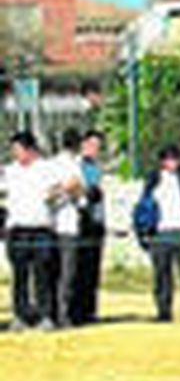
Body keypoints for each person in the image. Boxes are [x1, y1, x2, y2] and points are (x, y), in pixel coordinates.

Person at [4, 131, 57, 329]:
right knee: (20, 276)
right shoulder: (10, 171)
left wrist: (51, 196)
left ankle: (44, 315)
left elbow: (64, 186)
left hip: (40, 228)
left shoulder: (46, 168)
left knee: (42, 274)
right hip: (17, 229)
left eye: (17, 149)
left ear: (29, 149)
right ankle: (21, 315)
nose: (15, 153)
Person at [144, 144, 180, 323]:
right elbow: (144, 205)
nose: (172, 162)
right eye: (168, 159)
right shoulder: (153, 179)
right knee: (162, 275)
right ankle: (163, 310)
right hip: (160, 232)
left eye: (175, 158)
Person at [47, 129, 86, 327]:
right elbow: (46, 194)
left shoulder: (65, 164)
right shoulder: (61, 165)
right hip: (61, 225)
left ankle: (58, 314)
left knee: (60, 273)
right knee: (64, 273)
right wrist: (66, 188)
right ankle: (59, 315)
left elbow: (81, 195)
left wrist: (74, 189)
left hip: (61, 224)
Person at [71, 130, 106, 325]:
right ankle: (77, 311)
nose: (95, 150)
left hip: (97, 221)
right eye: (92, 145)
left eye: (98, 147)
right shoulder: (76, 165)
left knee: (93, 268)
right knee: (79, 267)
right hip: (82, 220)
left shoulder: (96, 167)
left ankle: (90, 310)